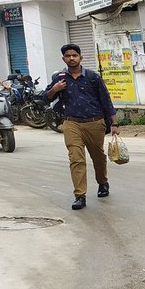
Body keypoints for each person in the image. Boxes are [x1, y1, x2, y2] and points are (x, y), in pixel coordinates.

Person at [46, 44, 118, 210]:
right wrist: (55, 89)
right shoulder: (59, 78)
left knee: (98, 157)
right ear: (64, 59)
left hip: (95, 122)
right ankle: (80, 195)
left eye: (74, 55)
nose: (71, 58)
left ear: (80, 57)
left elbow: (106, 100)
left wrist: (114, 123)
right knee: (76, 158)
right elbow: (46, 98)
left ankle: (103, 182)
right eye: (68, 56)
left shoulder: (93, 77)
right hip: (71, 123)